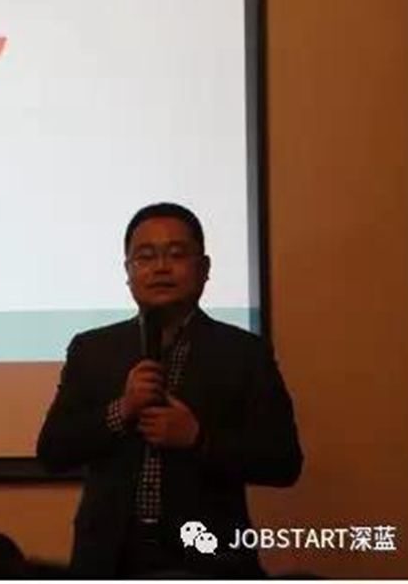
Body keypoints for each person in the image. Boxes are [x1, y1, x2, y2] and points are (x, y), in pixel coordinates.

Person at [37, 202, 303, 578]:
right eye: (145, 257)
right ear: (128, 272)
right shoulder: (92, 349)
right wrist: (122, 411)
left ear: (204, 269)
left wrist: (199, 438)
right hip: (108, 560)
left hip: (210, 560)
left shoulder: (244, 352)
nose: (161, 267)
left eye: (176, 254)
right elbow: (52, 452)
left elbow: (284, 462)